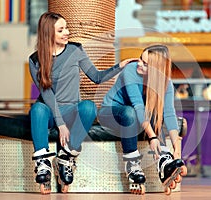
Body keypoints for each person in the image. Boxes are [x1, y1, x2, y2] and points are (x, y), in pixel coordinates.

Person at [29, 11, 136, 194]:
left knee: (89, 107)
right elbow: (47, 95)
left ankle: (66, 157)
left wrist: (120, 66)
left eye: (66, 28)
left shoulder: (75, 50)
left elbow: (96, 77)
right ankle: (43, 164)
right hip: (49, 112)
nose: (67, 32)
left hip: (71, 109)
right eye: (61, 30)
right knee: (37, 109)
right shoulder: (35, 59)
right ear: (48, 33)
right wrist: (61, 124)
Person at [98, 44, 187, 195]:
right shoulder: (130, 71)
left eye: (145, 64)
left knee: (154, 113)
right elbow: (138, 107)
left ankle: (164, 161)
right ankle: (132, 165)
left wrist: (177, 150)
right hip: (110, 113)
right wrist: (152, 137)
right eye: (140, 58)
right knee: (131, 112)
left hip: (134, 117)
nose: (139, 63)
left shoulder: (166, 83)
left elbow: (169, 114)